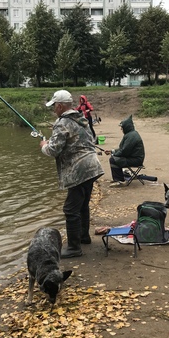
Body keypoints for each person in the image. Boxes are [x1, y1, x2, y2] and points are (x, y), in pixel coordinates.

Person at [40, 89, 104, 258]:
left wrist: (43, 145)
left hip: (79, 170)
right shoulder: (81, 118)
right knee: (82, 205)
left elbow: (53, 150)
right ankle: (84, 237)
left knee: (70, 209)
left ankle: (74, 248)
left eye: (54, 106)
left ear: (61, 106)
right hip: (92, 167)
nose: (54, 109)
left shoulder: (62, 123)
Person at [104, 115, 145, 186]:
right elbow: (123, 149)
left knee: (113, 159)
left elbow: (124, 151)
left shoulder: (131, 136)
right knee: (114, 158)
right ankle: (118, 179)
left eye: (122, 127)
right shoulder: (130, 134)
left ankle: (119, 180)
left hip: (136, 159)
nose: (121, 129)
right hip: (133, 157)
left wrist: (114, 154)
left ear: (126, 127)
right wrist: (112, 151)